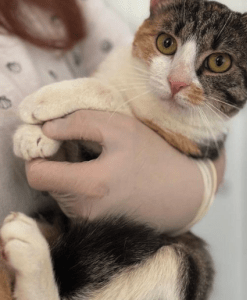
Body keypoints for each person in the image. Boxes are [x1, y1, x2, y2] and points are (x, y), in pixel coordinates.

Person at [0, 0, 225, 235]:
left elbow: (210, 133)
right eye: (167, 44)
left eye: (217, 62)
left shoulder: (83, 8)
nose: (177, 80)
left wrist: (198, 184)